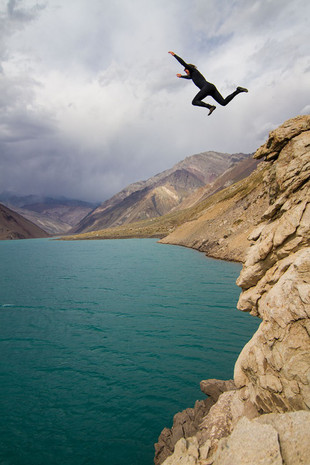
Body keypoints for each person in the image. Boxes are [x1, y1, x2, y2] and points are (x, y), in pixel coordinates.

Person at [168, 51, 248, 116]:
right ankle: (238, 90)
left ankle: (210, 107)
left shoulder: (193, 70)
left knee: (194, 102)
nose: (185, 71)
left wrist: (174, 55)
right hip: (210, 88)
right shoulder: (192, 75)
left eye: (186, 70)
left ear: (189, 68)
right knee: (223, 103)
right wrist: (181, 76)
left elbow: (183, 63)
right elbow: (189, 77)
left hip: (206, 87)